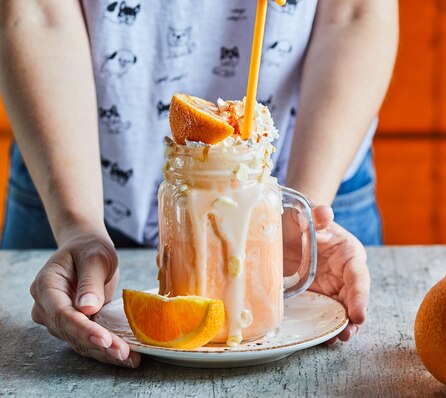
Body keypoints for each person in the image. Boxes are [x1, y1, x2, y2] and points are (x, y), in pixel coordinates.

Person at [0, 0, 398, 367]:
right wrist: (77, 225)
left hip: (314, 167)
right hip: (67, 169)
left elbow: (355, 13)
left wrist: (302, 210)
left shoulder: (297, 212)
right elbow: (37, 12)